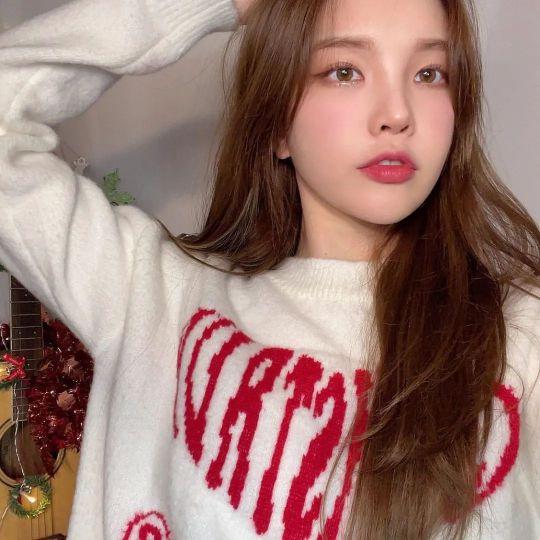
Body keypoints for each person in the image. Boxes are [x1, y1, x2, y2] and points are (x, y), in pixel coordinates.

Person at [0, 0, 539, 538]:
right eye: (345, 71)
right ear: (278, 123)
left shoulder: (519, 335)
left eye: (429, 73)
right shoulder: (152, 295)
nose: (398, 113)